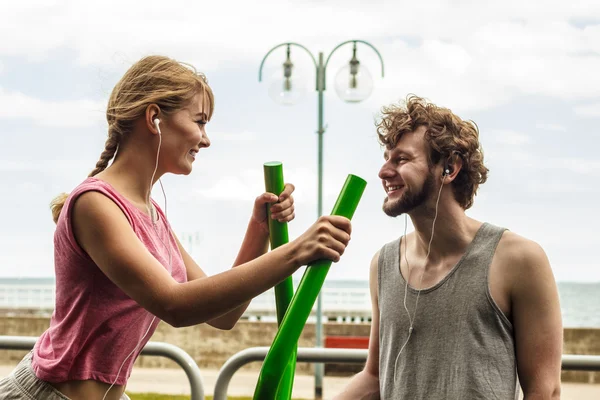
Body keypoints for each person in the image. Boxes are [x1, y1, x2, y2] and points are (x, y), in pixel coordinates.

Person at [0, 55, 352, 400]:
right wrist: (296, 251)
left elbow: (224, 315)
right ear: (154, 118)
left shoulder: (152, 216)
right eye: (199, 122)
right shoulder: (96, 205)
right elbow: (175, 305)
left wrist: (258, 230)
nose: (205, 138)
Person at [334, 95, 562, 399]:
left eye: (401, 159)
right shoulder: (383, 263)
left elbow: (544, 391)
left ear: (449, 168)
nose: (384, 172)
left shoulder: (519, 260)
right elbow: (375, 377)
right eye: (386, 158)